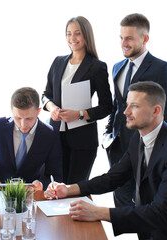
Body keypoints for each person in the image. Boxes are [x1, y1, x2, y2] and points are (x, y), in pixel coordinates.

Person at [45, 81, 167, 239]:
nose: (125, 112)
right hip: (153, 230)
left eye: (135, 106)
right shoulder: (139, 138)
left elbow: (163, 212)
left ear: (156, 111)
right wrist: (69, 189)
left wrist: (99, 212)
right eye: (127, 105)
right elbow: (113, 178)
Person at [104, 13, 167, 207]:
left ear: (145, 38)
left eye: (129, 38)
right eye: (121, 38)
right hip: (118, 151)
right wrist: (107, 134)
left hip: (147, 153)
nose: (124, 43)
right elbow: (117, 106)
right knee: (123, 211)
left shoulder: (162, 69)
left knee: (146, 214)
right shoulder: (117, 67)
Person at [42, 16, 112, 184]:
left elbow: (107, 106)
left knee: (74, 190)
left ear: (86, 35)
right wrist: (51, 107)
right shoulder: (58, 62)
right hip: (56, 137)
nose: (72, 38)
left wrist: (80, 114)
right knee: (54, 188)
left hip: (82, 141)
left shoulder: (97, 66)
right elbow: (45, 94)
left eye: (77, 33)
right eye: (69, 34)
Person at [0, 87, 62, 190]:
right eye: (18, 118)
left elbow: (55, 175)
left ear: (38, 111)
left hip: (29, 194)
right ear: (12, 111)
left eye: (29, 118)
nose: (23, 124)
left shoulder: (50, 134)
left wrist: (42, 185)